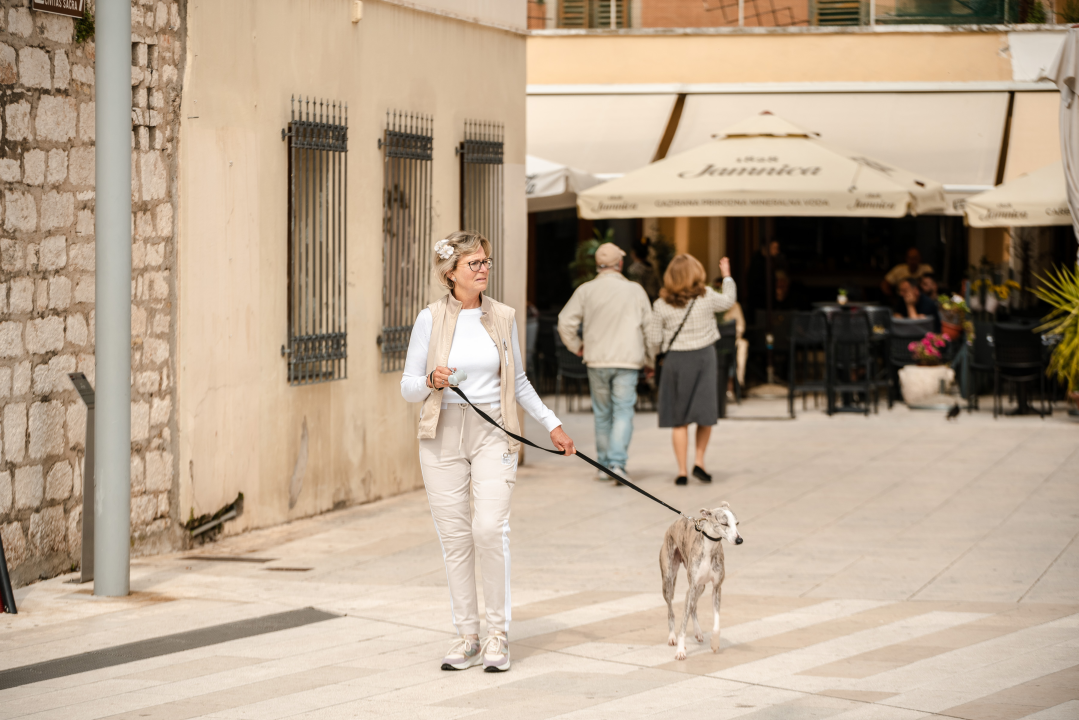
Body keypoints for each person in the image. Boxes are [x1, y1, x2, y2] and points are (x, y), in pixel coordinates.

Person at [401, 231, 576, 674]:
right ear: (450, 273)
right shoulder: (430, 318)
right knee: (456, 539)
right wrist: (431, 381)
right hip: (441, 434)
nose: (483, 269)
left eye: (486, 262)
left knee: (488, 529)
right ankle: (467, 636)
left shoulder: (503, 317)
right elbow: (407, 387)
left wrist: (551, 423)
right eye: (474, 263)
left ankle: (497, 634)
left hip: (493, 432)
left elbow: (517, 381)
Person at [558, 242, 652, 482]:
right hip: (628, 361)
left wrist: (577, 346)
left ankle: (603, 466)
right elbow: (650, 329)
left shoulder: (586, 290)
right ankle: (617, 464)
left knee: (602, 414)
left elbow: (565, 321)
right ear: (620, 264)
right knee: (622, 413)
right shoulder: (636, 290)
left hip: (597, 360)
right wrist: (650, 359)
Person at [647, 254, 736, 486]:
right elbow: (728, 301)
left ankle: (682, 471)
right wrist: (727, 275)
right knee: (705, 414)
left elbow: (654, 339)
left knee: (680, 418)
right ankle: (699, 462)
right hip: (705, 357)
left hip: (675, 361)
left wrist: (654, 357)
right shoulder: (706, 297)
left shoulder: (660, 304)